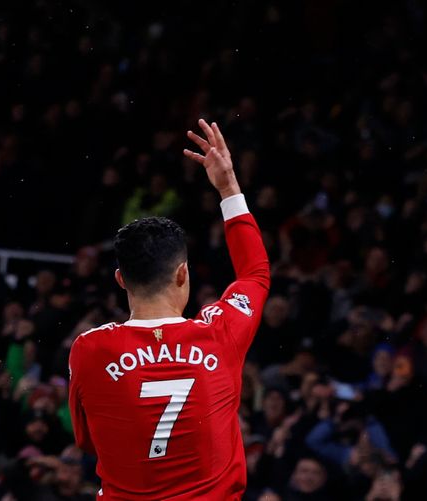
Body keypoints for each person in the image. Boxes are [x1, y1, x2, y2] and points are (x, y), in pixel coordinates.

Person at [68, 119, 270, 499]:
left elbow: (87, 440)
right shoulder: (218, 335)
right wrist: (228, 187)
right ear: (183, 274)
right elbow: (256, 274)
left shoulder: (89, 349)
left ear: (120, 279)